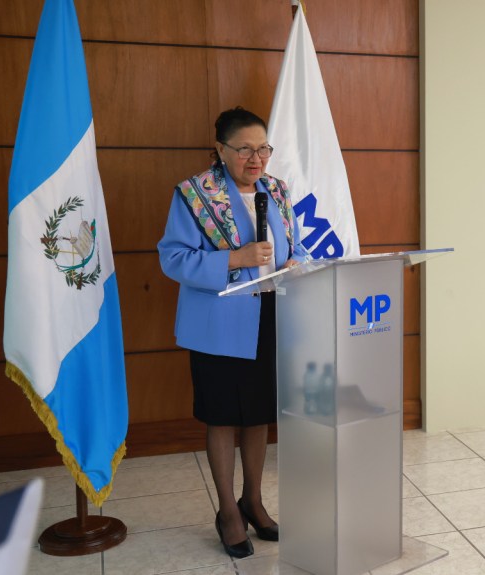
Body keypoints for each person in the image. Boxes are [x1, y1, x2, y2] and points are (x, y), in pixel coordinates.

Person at [158, 107, 307, 558]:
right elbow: (173, 258)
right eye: (244, 149)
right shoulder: (194, 195)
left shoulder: (277, 191)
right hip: (218, 326)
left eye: (262, 148)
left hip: (270, 317)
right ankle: (227, 511)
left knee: (258, 415)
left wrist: (294, 262)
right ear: (220, 150)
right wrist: (235, 259)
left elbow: (295, 244)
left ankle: (254, 501)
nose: (256, 158)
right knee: (223, 416)